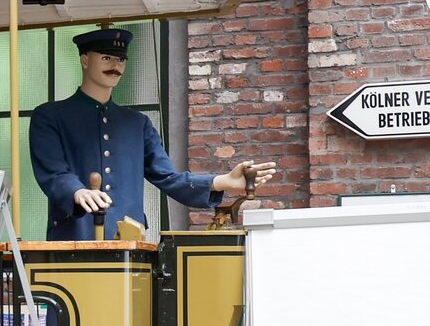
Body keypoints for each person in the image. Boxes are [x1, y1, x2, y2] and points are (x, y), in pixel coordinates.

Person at [29, 26, 276, 241]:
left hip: (129, 241)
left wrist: (224, 181)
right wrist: (77, 191)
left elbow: (169, 178)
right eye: (106, 58)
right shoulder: (50, 116)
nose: (115, 66)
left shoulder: (138, 124)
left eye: (121, 60)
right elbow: (54, 173)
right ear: (85, 60)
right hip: (74, 238)